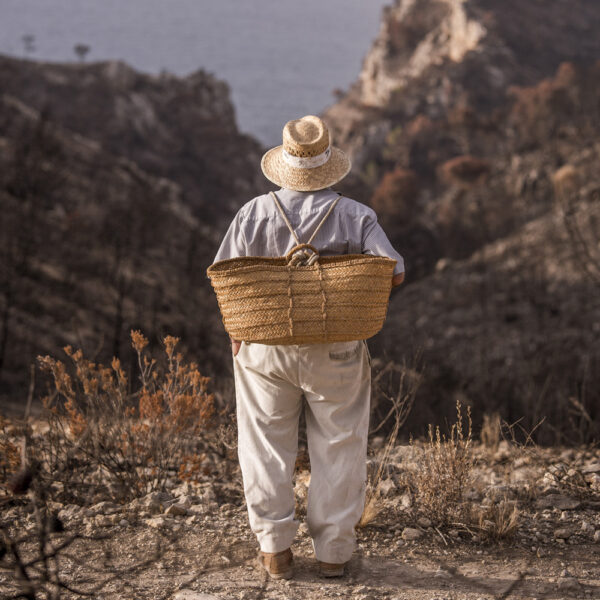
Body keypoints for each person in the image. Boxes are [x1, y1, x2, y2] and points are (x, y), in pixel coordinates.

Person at [211, 115, 404, 579]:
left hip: (264, 346)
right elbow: (393, 271)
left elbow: (224, 277)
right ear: (328, 164)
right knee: (340, 443)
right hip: (336, 346)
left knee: (263, 445)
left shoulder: (253, 212)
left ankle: (274, 549)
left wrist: (237, 331)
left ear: (283, 164)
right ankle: (334, 554)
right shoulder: (356, 215)